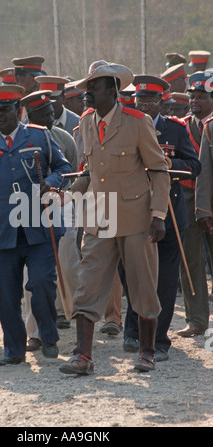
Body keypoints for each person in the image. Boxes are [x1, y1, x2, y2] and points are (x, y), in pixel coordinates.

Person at [58, 63, 171, 375]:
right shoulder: (84, 124)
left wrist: (158, 214)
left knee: (142, 287)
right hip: (98, 218)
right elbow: (89, 172)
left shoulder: (137, 122)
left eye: (94, 87)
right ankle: (83, 355)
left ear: (112, 91)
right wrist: (67, 192)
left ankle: (146, 352)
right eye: (87, 86)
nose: (87, 92)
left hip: (137, 220)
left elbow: (159, 172)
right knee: (87, 285)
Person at [0, 85, 71, 365]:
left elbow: (63, 167)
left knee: (41, 283)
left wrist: (51, 182)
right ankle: (13, 350)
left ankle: (48, 334)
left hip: (40, 226)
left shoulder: (39, 136)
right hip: (4, 232)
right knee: (7, 295)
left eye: (4, 111)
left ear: (18, 111)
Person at [121, 75, 201, 361]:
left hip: (168, 215)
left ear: (162, 103)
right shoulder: (124, 127)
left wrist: (168, 164)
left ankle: (159, 341)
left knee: (165, 281)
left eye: (150, 101)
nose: (144, 105)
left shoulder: (175, 131)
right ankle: (132, 332)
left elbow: (194, 166)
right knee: (133, 276)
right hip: (132, 213)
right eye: (139, 100)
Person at [19, 89, 81, 347]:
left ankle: (78, 318)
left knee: (68, 264)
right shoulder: (19, 139)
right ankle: (34, 332)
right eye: (43, 114)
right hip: (25, 210)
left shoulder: (64, 138)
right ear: (31, 115)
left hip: (60, 206)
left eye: (51, 112)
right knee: (29, 277)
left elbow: (73, 173)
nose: (50, 117)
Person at [178, 70, 213, 337]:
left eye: (201, 97)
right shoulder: (180, 126)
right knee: (190, 260)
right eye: (192, 96)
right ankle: (197, 319)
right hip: (186, 197)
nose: (194, 101)